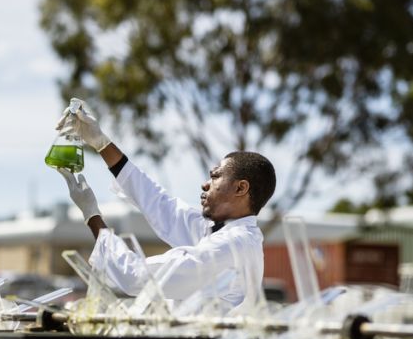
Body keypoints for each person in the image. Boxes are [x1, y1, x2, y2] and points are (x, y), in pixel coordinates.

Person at [56, 98, 276, 310]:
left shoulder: (232, 245)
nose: (205, 184)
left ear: (240, 188)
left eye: (215, 176)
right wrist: (100, 142)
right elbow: (159, 203)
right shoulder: (219, 233)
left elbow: (136, 277)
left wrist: (92, 215)